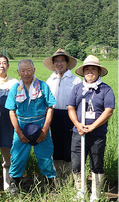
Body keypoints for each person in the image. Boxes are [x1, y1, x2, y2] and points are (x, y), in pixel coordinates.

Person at [5, 59, 57, 195]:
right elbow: (11, 111)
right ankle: (14, 185)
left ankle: (50, 186)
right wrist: (19, 132)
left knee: (45, 156)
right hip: (21, 126)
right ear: (18, 72)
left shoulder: (43, 86)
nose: (26, 73)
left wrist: (45, 129)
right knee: (17, 157)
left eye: (29, 70)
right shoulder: (15, 88)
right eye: (23, 70)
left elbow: (50, 108)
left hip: (41, 124)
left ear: (34, 70)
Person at [67, 55, 115, 202]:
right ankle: (81, 192)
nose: (90, 72)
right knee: (76, 164)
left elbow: (109, 110)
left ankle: (96, 194)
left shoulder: (105, 89)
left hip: (97, 134)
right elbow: (71, 107)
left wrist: (93, 126)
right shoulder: (77, 88)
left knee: (96, 163)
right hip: (78, 132)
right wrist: (77, 124)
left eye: (93, 69)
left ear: (99, 72)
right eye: (87, 69)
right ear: (83, 72)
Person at [44, 48, 81, 178]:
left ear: (66, 63)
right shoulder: (50, 80)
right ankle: (57, 176)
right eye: (56, 61)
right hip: (52, 116)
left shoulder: (75, 80)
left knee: (69, 146)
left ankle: (70, 176)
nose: (59, 64)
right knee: (54, 145)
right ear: (53, 64)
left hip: (69, 116)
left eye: (62, 61)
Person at [0, 55, 18, 191]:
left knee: (8, 156)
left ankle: (8, 185)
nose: (2, 65)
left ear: (8, 66)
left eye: (4, 63)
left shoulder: (15, 83)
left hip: (9, 124)